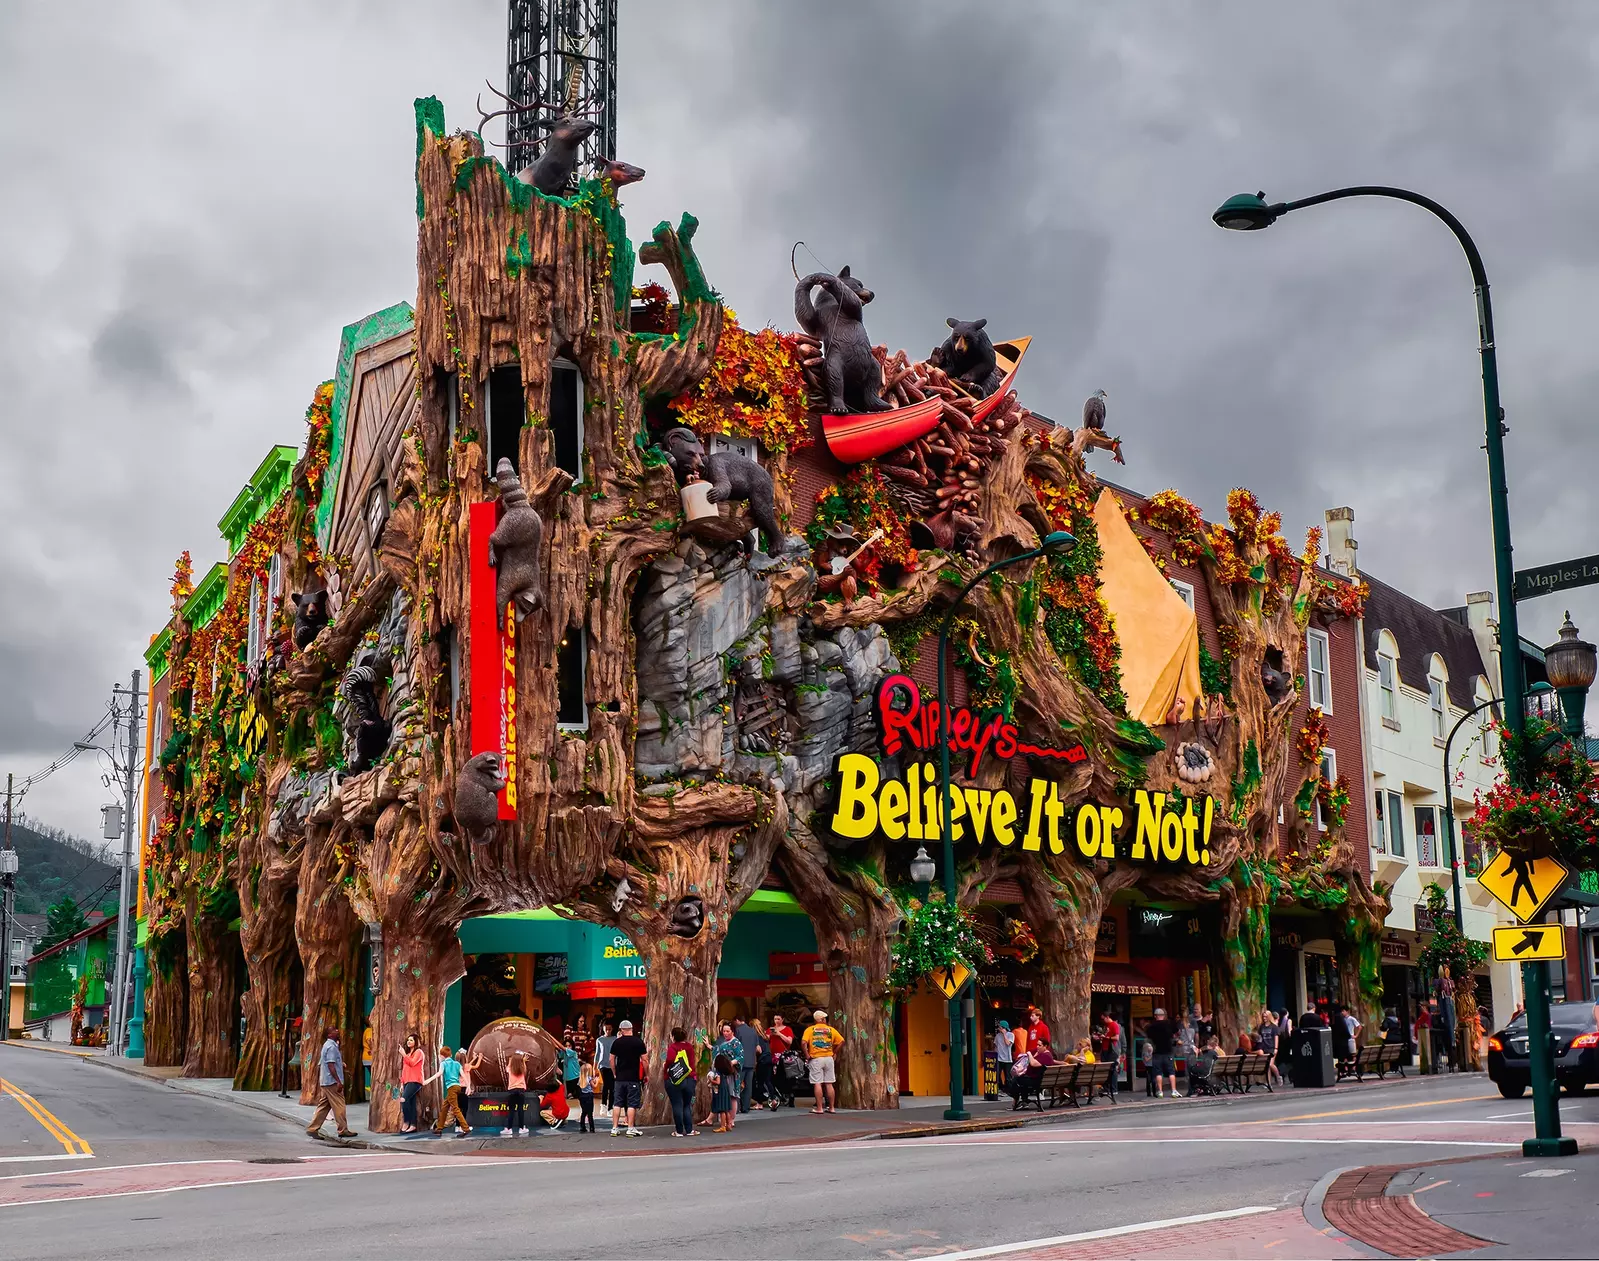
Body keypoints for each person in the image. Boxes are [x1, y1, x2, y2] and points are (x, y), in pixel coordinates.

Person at [306, 1026, 356, 1138]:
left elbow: (325, 1063)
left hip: (326, 1081)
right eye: (334, 1030)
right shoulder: (331, 1047)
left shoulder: (327, 1045)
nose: (337, 1031)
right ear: (329, 1035)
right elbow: (330, 1065)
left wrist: (340, 1064)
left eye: (336, 1029)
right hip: (332, 1082)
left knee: (324, 1106)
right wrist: (338, 1081)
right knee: (339, 1105)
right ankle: (342, 1130)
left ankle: (312, 1128)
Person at [801, 1008, 845, 1114]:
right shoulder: (831, 1030)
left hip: (816, 1059)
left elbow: (803, 1043)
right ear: (823, 1019)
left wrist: (807, 1055)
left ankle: (819, 1108)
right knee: (829, 1084)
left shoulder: (810, 1030)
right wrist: (834, 1052)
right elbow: (841, 1041)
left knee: (817, 1083)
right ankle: (832, 1108)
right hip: (829, 1058)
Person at [608, 1018, 647, 1137]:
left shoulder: (616, 1042)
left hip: (620, 1078)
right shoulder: (638, 1042)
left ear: (621, 1030)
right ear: (631, 1029)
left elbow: (611, 1059)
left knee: (617, 1103)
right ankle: (630, 1128)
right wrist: (647, 1074)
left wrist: (614, 1072)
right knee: (631, 1104)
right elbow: (645, 1060)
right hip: (633, 1078)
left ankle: (614, 1128)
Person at [663, 1026, 698, 1137]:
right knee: (687, 1105)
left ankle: (679, 1131)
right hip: (690, 1078)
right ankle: (689, 1130)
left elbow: (670, 1060)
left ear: (673, 1036)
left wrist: (665, 1067)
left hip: (675, 1080)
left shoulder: (673, 1047)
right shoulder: (689, 1047)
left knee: (677, 1104)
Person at [429, 1045, 471, 1135]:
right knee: (445, 1107)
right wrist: (468, 1086)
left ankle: (466, 1128)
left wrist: (427, 1081)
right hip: (458, 1087)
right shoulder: (457, 1064)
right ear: (451, 1055)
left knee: (456, 1109)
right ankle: (439, 1128)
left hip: (451, 1088)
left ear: (442, 1056)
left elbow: (439, 1073)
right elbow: (463, 1075)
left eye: (440, 1056)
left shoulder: (443, 1063)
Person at [710, 1021, 745, 1127]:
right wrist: (709, 1046)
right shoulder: (724, 1043)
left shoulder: (736, 1043)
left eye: (727, 1031)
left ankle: (731, 1120)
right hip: (723, 1073)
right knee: (725, 1095)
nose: (725, 1033)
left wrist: (730, 1063)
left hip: (732, 1073)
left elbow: (740, 1057)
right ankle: (725, 1119)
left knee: (732, 1096)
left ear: (732, 1032)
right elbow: (718, 1051)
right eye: (724, 1031)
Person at [1145, 1007, 1178, 1099]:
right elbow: (1176, 1032)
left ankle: (1160, 1092)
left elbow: (1148, 1037)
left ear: (1155, 1016)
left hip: (1157, 1052)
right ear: (1163, 1016)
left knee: (1158, 1073)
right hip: (1168, 1051)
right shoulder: (1169, 1024)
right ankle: (1173, 1091)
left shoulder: (1151, 1026)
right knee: (1171, 1072)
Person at [733, 1015, 761, 1114]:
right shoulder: (753, 1031)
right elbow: (757, 1048)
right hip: (751, 1062)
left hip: (740, 1062)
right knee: (748, 1086)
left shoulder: (737, 1031)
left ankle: (736, 1107)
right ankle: (746, 1107)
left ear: (737, 1020)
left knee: (737, 1085)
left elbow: (735, 1046)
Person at [399, 1032, 426, 1133]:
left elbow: (412, 1063)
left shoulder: (419, 1052)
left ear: (416, 1042)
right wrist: (402, 1083)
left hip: (415, 1081)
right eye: (408, 1040)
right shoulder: (408, 1054)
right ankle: (413, 1125)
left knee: (403, 1099)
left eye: (411, 1040)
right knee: (411, 1102)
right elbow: (404, 1069)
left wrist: (403, 1054)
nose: (409, 1042)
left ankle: (406, 1122)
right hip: (407, 1081)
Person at [708, 1051, 736, 1132]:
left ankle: (723, 1126)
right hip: (725, 1089)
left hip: (720, 1091)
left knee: (722, 1110)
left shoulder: (718, 1072)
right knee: (726, 1110)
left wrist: (711, 1080)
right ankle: (729, 1125)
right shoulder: (725, 1072)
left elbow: (718, 1082)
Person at [505, 1051, 530, 1137]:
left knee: (511, 1110)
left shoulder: (509, 1069)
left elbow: (507, 1068)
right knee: (520, 1110)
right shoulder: (522, 1068)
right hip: (521, 1090)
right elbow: (525, 1070)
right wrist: (523, 1061)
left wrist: (510, 1060)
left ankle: (509, 1129)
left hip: (512, 1090)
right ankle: (522, 1128)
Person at [594, 1020, 616, 1118]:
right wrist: (594, 1067)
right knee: (606, 1085)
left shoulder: (615, 1039)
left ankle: (610, 1108)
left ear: (612, 1029)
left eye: (609, 1029)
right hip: (603, 1065)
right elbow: (597, 1054)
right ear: (602, 1028)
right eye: (606, 1029)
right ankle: (603, 1105)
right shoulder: (599, 1040)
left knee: (612, 1088)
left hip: (613, 1065)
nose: (608, 1031)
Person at [751, 1018, 774, 1107]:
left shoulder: (755, 1036)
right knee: (768, 1081)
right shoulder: (764, 1036)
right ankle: (773, 1099)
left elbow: (759, 1050)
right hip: (769, 1059)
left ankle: (759, 1103)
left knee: (760, 1082)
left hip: (762, 1060)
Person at [1256, 1011, 1281, 1086]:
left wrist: (1276, 1048)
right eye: (1263, 1016)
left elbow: (1276, 1038)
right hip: (1264, 1048)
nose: (1264, 1018)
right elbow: (1260, 1037)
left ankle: (1278, 1076)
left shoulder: (1274, 1027)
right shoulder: (1261, 1027)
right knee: (1267, 1067)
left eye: (1266, 1016)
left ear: (1269, 1017)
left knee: (1270, 1064)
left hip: (1271, 1048)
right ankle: (1268, 1083)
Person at [576, 1060, 598, 1133]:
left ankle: (582, 1127)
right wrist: (597, 1081)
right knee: (590, 1113)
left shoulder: (580, 1079)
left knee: (584, 1112)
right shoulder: (589, 1078)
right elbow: (594, 1086)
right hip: (589, 1096)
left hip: (582, 1096)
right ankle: (592, 1128)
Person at [560, 1031, 581, 1098]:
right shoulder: (564, 1053)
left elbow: (561, 1047)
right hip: (567, 1078)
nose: (568, 1047)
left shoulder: (573, 1053)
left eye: (569, 1046)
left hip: (575, 1077)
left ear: (572, 1046)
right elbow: (558, 1048)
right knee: (568, 1096)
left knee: (576, 1096)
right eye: (566, 1046)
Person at [994, 1020, 1015, 1085]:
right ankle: (1001, 1087)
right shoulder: (997, 1036)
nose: (999, 1028)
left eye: (1000, 1027)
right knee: (997, 1075)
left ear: (1003, 1027)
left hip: (1007, 1059)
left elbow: (1008, 1043)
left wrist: (1004, 1034)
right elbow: (995, 1046)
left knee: (1008, 1077)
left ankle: (1008, 1089)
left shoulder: (1011, 1035)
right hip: (999, 1059)